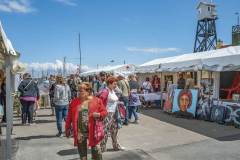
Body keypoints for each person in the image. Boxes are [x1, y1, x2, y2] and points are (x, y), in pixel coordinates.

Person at [65, 82, 107, 160]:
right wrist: (67, 128)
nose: (79, 92)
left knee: (96, 152)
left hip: (93, 131)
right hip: (80, 132)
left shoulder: (97, 100)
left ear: (88, 91)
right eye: (79, 90)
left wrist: (98, 114)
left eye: (81, 90)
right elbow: (69, 117)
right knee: (83, 155)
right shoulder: (74, 102)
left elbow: (104, 112)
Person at [100, 76, 122, 152]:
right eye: (114, 84)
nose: (116, 85)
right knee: (105, 131)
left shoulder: (112, 90)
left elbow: (113, 99)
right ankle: (102, 148)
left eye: (116, 84)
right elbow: (101, 102)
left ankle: (116, 146)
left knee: (114, 130)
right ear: (109, 84)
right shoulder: (105, 91)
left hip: (113, 113)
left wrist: (118, 103)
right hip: (108, 113)